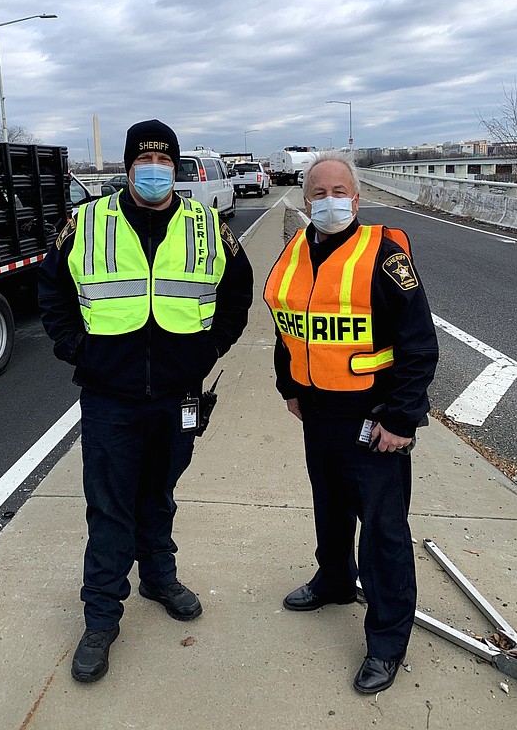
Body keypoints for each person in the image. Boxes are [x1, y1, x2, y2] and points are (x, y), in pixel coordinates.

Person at [38, 119, 254, 683]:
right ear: (128, 167)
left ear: (175, 168)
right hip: (109, 397)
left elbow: (236, 294)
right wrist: (78, 353)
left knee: (159, 493)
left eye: (163, 163)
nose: (153, 172)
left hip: (178, 394)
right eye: (143, 162)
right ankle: (101, 618)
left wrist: (206, 352)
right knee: (110, 506)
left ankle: (159, 578)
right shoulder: (84, 222)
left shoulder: (208, 227)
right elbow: (52, 294)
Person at [263, 152, 438, 694]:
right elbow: (288, 327)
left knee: (384, 531)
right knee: (330, 507)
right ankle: (335, 580)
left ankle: (386, 642)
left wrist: (403, 418)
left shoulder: (384, 256)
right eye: (319, 192)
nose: (328, 200)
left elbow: (418, 345)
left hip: (374, 418)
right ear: (306, 198)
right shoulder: (295, 251)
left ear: (356, 199)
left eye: (339, 191)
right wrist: (289, 387)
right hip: (318, 412)